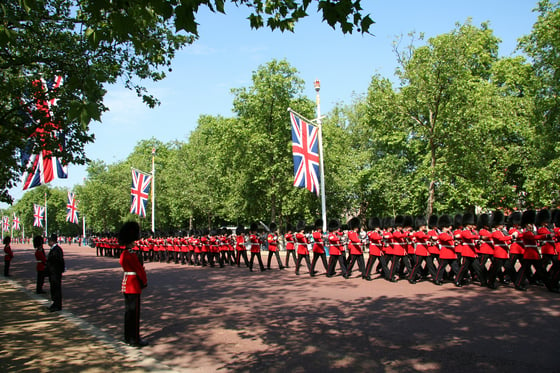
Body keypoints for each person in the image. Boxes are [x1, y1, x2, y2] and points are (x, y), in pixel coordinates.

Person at [119, 221, 149, 347]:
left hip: (126, 283)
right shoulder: (131, 254)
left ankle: (127, 336)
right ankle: (134, 339)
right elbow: (139, 270)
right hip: (134, 285)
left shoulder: (124, 253)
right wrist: (144, 281)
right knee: (134, 314)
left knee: (128, 313)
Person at [46, 233, 65, 312]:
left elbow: (59, 261)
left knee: (56, 289)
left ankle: (57, 305)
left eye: (49, 241)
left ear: (52, 241)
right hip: (53, 272)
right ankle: (55, 303)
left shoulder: (57, 249)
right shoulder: (55, 249)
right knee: (53, 289)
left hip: (55, 272)